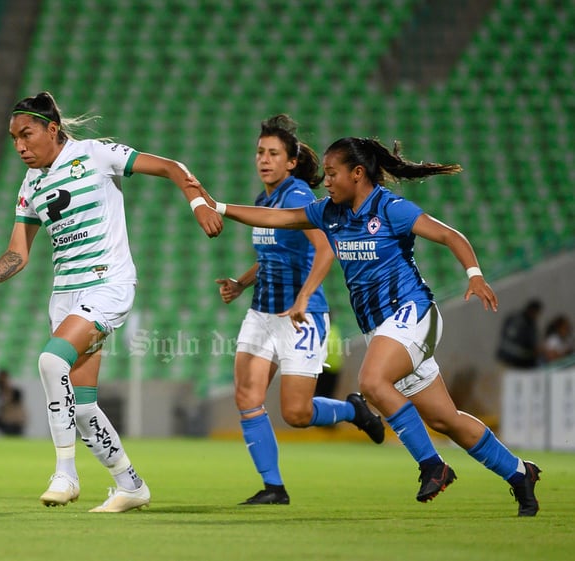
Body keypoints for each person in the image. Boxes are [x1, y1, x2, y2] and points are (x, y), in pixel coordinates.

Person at [203, 136, 541, 516]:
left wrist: (474, 275)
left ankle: (432, 465)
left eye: (333, 174)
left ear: (358, 173)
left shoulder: (391, 208)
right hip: (380, 327)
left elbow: (449, 235)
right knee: (444, 418)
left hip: (413, 313)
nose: (326, 181)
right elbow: (280, 218)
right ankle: (519, 472)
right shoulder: (331, 212)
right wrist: (218, 206)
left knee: (372, 381)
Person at [0, 91, 222, 512]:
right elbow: (19, 253)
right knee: (83, 407)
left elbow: (170, 167)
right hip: (65, 296)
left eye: (27, 135)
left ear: (52, 130)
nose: (19, 146)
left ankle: (65, 474)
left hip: (107, 284)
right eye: (13, 139)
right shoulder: (31, 183)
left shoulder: (95, 155)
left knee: (50, 361)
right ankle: (130, 486)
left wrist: (198, 200)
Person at [216, 115, 384, 505]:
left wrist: (305, 296)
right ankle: (273, 487)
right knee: (246, 396)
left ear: (291, 162)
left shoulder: (297, 197)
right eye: (260, 152)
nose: (264, 159)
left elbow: (325, 248)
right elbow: (272, 255)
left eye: (274, 153)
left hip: (301, 316)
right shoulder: (264, 199)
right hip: (262, 313)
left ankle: (351, 410)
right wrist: (242, 283)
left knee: (296, 413)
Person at [496, 299, 543, 369]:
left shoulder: (530, 323)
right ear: (532, 311)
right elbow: (512, 340)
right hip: (510, 359)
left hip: (519, 360)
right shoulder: (517, 321)